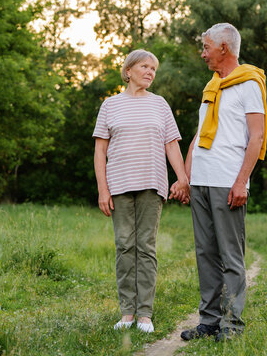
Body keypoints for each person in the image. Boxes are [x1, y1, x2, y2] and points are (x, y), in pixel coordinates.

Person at [179, 23, 267, 342]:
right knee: (205, 253)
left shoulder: (249, 84)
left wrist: (242, 182)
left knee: (230, 255)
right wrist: (185, 177)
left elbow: (256, 138)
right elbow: (198, 135)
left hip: (227, 180)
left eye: (206, 47)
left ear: (224, 49)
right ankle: (208, 322)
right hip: (201, 179)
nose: (202, 54)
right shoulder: (212, 85)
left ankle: (231, 325)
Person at [93, 49, 190, 333]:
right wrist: (102, 189)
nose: (150, 72)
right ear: (128, 71)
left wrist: (182, 178)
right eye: (145, 67)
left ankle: (145, 313)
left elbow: (171, 144)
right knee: (125, 246)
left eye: (154, 69)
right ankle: (127, 313)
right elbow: (100, 150)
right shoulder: (110, 105)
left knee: (145, 247)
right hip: (119, 184)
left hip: (152, 183)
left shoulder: (160, 104)